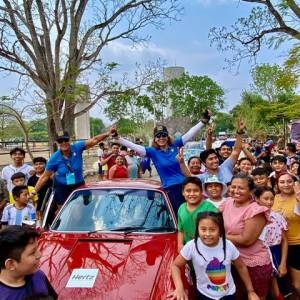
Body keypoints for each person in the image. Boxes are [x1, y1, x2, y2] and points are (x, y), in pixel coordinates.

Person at [116, 110, 211, 214]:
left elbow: (189, 134)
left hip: (186, 185)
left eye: (163, 135)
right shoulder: (152, 151)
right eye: (158, 136)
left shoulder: (175, 144)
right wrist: (118, 138)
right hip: (171, 189)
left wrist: (203, 121)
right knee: (181, 214)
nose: (161, 138)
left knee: (197, 212)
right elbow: (134, 147)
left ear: (167, 136)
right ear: (155, 139)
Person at [170, 212, 260, 300]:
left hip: (229, 294)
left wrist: (251, 291)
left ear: (220, 230)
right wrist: (179, 288)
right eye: (203, 229)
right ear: (197, 229)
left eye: (212, 230)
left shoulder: (228, 245)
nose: (207, 234)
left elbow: (241, 267)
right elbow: (175, 266)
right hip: (204, 295)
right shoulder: (192, 246)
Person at [220, 173, 272, 300]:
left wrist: (220, 237)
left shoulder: (255, 210)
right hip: (231, 261)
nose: (236, 191)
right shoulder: (227, 202)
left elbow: (246, 240)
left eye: (241, 188)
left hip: (252, 264)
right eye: (233, 187)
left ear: (251, 191)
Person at [34, 129, 112, 208]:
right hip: (62, 186)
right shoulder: (54, 158)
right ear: (57, 143)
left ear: (70, 140)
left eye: (66, 140)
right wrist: (33, 193)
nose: (64, 143)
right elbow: (45, 176)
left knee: (85, 206)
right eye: (60, 141)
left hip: (78, 183)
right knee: (63, 210)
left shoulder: (77, 148)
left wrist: (108, 133)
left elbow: (94, 140)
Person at [0, 226, 57, 299]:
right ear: (11, 264)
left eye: (37, 248)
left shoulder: (38, 275)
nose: (39, 255)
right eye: (32, 252)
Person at [254, 186, 288, 300]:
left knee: (273, 283)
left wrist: (283, 263)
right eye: (265, 199)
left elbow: (284, 241)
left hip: (275, 252)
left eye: (272, 199)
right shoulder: (252, 217)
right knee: (262, 288)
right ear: (257, 199)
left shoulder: (277, 217)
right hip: (257, 254)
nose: (269, 202)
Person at [272, 173, 300, 297]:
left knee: (297, 285)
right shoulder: (274, 198)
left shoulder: (298, 197)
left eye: (289, 181)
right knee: (282, 281)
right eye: (282, 182)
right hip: (278, 246)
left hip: (296, 244)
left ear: (294, 183)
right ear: (277, 185)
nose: (286, 185)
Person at [177, 177, 218, 253]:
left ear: (201, 192)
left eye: (196, 191)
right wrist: (180, 245)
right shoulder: (181, 208)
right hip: (188, 249)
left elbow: (218, 232)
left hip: (207, 249)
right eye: (188, 191)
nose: (192, 194)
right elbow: (180, 230)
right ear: (183, 192)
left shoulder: (211, 209)